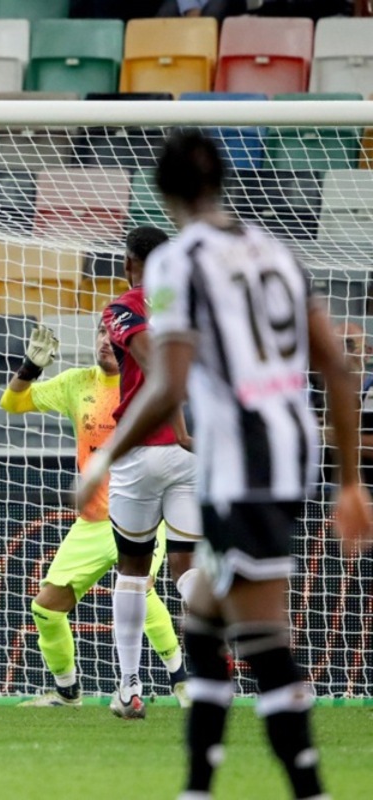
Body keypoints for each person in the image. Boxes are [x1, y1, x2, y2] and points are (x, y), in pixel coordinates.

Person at [77, 129, 373, 800]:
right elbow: (338, 366)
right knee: (205, 611)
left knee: (264, 633)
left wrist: (102, 463)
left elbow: (169, 381)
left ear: (163, 190)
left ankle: (311, 789)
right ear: (224, 182)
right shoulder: (275, 252)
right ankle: (197, 786)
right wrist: (349, 479)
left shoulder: (177, 263)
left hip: (243, 458)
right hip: (286, 449)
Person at [0, 321, 188, 708]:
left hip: (141, 512)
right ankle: (68, 693)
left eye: (113, 334)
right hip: (91, 522)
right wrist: (30, 368)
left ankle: (182, 682)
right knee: (45, 609)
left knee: (141, 590)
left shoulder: (145, 385)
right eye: (100, 332)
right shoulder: (76, 382)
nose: (106, 340)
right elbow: (12, 403)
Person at [100, 224, 202, 720]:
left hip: (143, 450)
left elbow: (157, 369)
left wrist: (177, 427)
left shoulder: (124, 307)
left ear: (128, 263)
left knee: (134, 569)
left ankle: (128, 689)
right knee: (187, 569)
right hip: (194, 456)